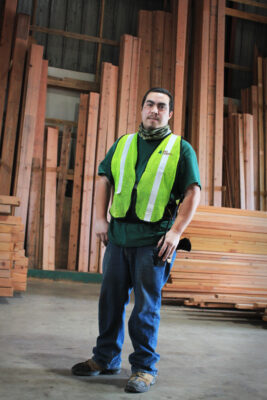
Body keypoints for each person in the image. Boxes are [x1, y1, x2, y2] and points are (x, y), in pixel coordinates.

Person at [72, 87, 201, 393]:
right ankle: (105, 359)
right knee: (110, 302)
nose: (154, 110)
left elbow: (193, 192)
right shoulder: (124, 144)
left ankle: (144, 368)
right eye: (149, 104)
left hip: (154, 242)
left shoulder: (181, 149)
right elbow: (104, 179)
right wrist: (100, 219)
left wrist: (176, 231)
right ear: (142, 109)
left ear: (169, 114)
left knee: (145, 307)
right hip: (118, 238)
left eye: (161, 106)